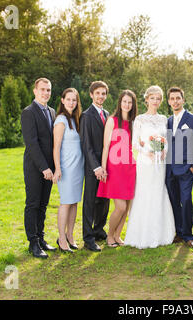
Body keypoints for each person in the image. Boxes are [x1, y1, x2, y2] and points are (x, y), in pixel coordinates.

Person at [124, 86, 175, 249]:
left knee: (158, 192)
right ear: (146, 99)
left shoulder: (163, 119)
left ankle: (161, 234)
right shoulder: (139, 119)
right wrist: (148, 152)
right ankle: (141, 234)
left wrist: (163, 151)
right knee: (144, 193)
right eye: (152, 98)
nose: (155, 101)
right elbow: (134, 144)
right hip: (145, 162)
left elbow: (166, 140)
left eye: (158, 98)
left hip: (160, 164)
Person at [20, 78, 57, 258]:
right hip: (35, 167)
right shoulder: (28, 112)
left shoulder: (51, 111)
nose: (46, 93)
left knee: (43, 205)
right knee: (33, 204)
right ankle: (33, 243)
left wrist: (53, 167)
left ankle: (41, 238)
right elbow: (32, 143)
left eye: (48, 90)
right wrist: (44, 168)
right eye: (42, 89)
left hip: (49, 167)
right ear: (35, 91)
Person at [165, 87, 193, 249]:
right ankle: (179, 233)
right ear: (168, 102)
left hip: (187, 169)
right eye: (172, 99)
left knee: (186, 200)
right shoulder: (167, 121)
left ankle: (188, 235)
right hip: (169, 170)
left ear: (183, 100)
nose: (175, 101)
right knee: (174, 202)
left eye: (178, 98)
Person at [97, 90, 138, 248]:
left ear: (133, 105)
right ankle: (109, 236)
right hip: (114, 168)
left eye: (130, 102)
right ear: (120, 103)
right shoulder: (112, 120)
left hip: (129, 167)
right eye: (124, 101)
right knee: (120, 207)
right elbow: (105, 146)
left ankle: (117, 235)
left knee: (126, 207)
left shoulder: (134, 123)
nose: (127, 105)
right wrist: (103, 167)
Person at [79, 81, 111, 252]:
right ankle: (88, 237)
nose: (101, 96)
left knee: (104, 200)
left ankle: (99, 229)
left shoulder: (106, 114)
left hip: (107, 165)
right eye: (98, 93)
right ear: (91, 94)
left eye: (103, 93)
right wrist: (96, 167)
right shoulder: (86, 116)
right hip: (93, 167)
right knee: (90, 201)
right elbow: (86, 144)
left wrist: (106, 165)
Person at [52, 88, 84, 253]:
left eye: (74, 100)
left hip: (78, 167)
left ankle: (70, 235)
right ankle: (61, 238)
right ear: (62, 100)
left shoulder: (76, 119)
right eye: (69, 99)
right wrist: (57, 168)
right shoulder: (61, 120)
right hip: (66, 168)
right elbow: (56, 147)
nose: (72, 102)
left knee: (74, 202)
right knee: (66, 203)